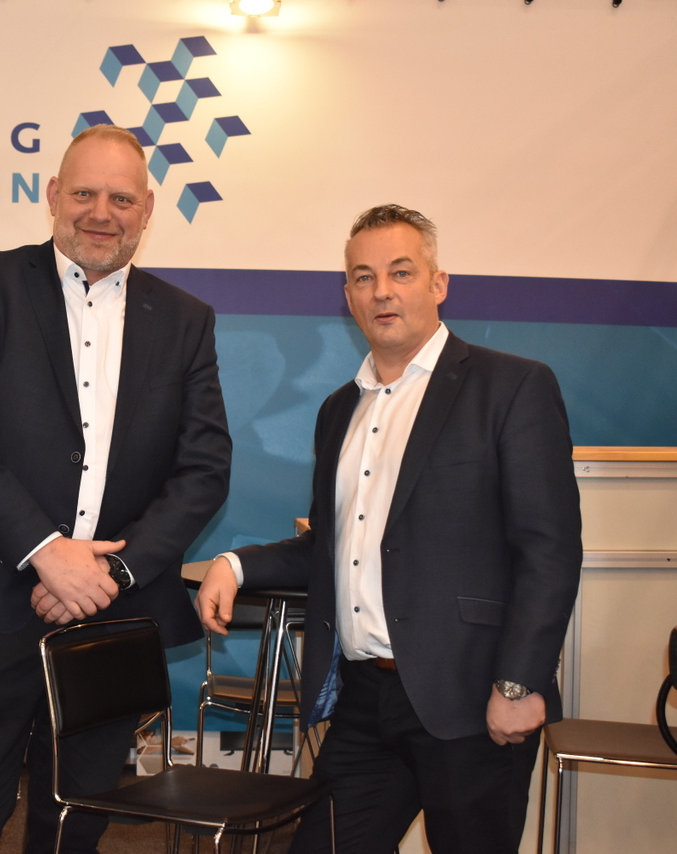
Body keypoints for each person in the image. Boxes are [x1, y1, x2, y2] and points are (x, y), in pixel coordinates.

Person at [197, 204, 582, 854]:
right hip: (365, 700)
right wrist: (234, 565)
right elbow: (330, 548)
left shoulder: (512, 386)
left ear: (438, 283)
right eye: (363, 277)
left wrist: (519, 683)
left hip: (473, 699)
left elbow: (550, 550)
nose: (381, 291)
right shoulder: (338, 411)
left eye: (401, 272)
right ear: (347, 294)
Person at [0, 124, 232, 854]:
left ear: (147, 209)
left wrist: (111, 573)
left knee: (77, 819)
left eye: (122, 198)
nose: (101, 213)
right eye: (84, 193)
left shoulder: (186, 320)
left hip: (115, 611)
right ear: (54, 194)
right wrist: (47, 553)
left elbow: (205, 467)